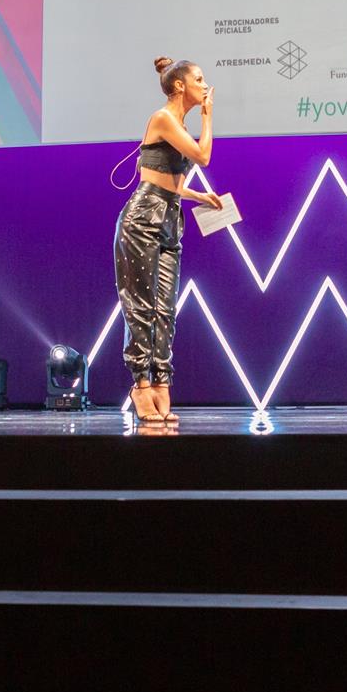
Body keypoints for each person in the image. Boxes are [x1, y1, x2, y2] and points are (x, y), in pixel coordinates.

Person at [114, 57, 223, 425]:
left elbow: (171, 183)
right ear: (179, 86)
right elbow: (203, 156)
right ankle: (141, 384)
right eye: (198, 79)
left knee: (166, 309)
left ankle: (162, 382)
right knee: (141, 304)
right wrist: (208, 117)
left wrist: (199, 197)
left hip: (169, 218)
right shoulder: (162, 118)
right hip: (144, 216)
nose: (204, 85)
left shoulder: (176, 124)